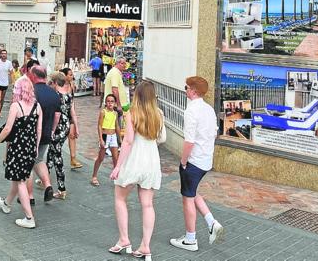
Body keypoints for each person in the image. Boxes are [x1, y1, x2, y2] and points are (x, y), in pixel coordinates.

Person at [109, 80, 166, 260]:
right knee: (147, 204)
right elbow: (161, 138)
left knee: (120, 198)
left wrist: (118, 165)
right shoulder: (159, 114)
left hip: (134, 160)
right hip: (151, 162)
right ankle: (145, 246)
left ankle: (124, 239)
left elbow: (128, 141)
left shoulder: (131, 113)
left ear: (138, 95)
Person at [170, 76, 225, 252]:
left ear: (193, 91)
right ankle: (211, 223)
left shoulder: (191, 111)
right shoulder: (208, 109)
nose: (185, 89)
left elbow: (189, 141)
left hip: (193, 161)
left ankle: (190, 239)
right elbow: (215, 134)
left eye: (186, 87)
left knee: (187, 198)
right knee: (192, 192)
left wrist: (183, 161)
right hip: (205, 159)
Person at [0, 77, 43, 229]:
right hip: (31, 147)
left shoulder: (16, 106)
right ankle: (6, 203)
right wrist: (36, 147)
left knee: (20, 182)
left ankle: (29, 217)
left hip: (18, 147)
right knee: (19, 177)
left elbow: (7, 129)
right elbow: (38, 129)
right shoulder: (37, 107)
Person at [26, 65, 60, 203]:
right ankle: (48, 186)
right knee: (39, 160)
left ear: (34, 76)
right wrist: (52, 130)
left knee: (28, 163)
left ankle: (29, 196)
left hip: (31, 133)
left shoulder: (32, 91)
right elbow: (57, 115)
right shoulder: (54, 93)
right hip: (46, 133)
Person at [47, 72, 79, 199]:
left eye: (51, 83)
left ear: (55, 83)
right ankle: (45, 176)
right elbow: (73, 112)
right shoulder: (69, 95)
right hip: (65, 126)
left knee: (57, 155)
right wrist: (76, 126)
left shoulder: (56, 96)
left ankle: (62, 189)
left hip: (58, 126)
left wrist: (52, 130)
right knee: (52, 150)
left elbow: (56, 115)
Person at [91, 94, 120, 186]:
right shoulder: (103, 112)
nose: (110, 103)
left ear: (115, 103)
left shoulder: (115, 113)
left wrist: (121, 139)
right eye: (108, 101)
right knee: (101, 157)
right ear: (105, 102)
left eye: (112, 101)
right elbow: (99, 125)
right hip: (105, 135)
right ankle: (94, 176)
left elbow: (117, 126)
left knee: (116, 158)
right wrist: (100, 139)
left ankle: (116, 177)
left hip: (113, 136)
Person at [60, 68, 82, 170]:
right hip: (60, 114)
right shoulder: (59, 86)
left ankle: (73, 159)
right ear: (64, 76)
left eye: (72, 74)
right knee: (59, 139)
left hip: (70, 113)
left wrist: (74, 118)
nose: (72, 76)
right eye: (70, 75)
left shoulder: (71, 86)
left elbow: (72, 102)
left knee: (72, 135)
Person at [0, 50, 13, 122]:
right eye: (2, 54)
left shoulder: (9, 63)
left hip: (5, 84)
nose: (4, 55)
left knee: (2, 99)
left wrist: (11, 80)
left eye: (5, 54)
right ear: (0, 55)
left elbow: (11, 72)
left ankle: (0, 112)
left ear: (6, 55)